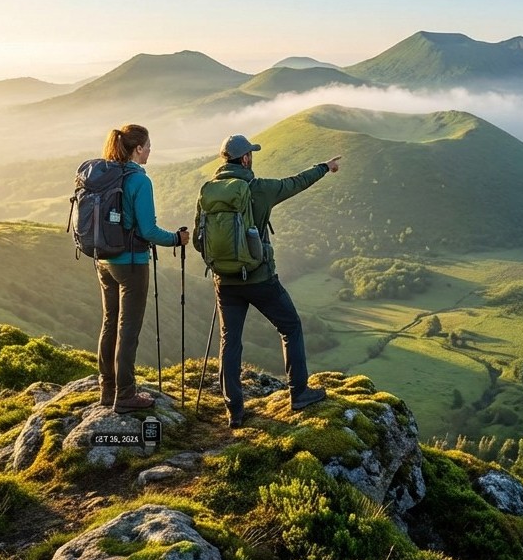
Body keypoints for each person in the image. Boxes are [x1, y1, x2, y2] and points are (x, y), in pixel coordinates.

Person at [208, 134, 340, 427]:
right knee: (290, 326)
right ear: (245, 159)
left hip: (225, 281)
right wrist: (324, 167)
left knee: (230, 341)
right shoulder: (260, 189)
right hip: (260, 278)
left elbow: (199, 239)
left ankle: (234, 411)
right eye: (250, 154)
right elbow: (296, 183)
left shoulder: (208, 192)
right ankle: (299, 393)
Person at [96, 125, 189, 412]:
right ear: (138, 148)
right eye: (148, 145)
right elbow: (148, 230)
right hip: (132, 264)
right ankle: (125, 396)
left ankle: (106, 389)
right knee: (128, 329)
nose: (150, 150)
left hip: (104, 260)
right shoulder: (139, 181)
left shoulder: (106, 174)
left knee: (110, 323)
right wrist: (176, 238)